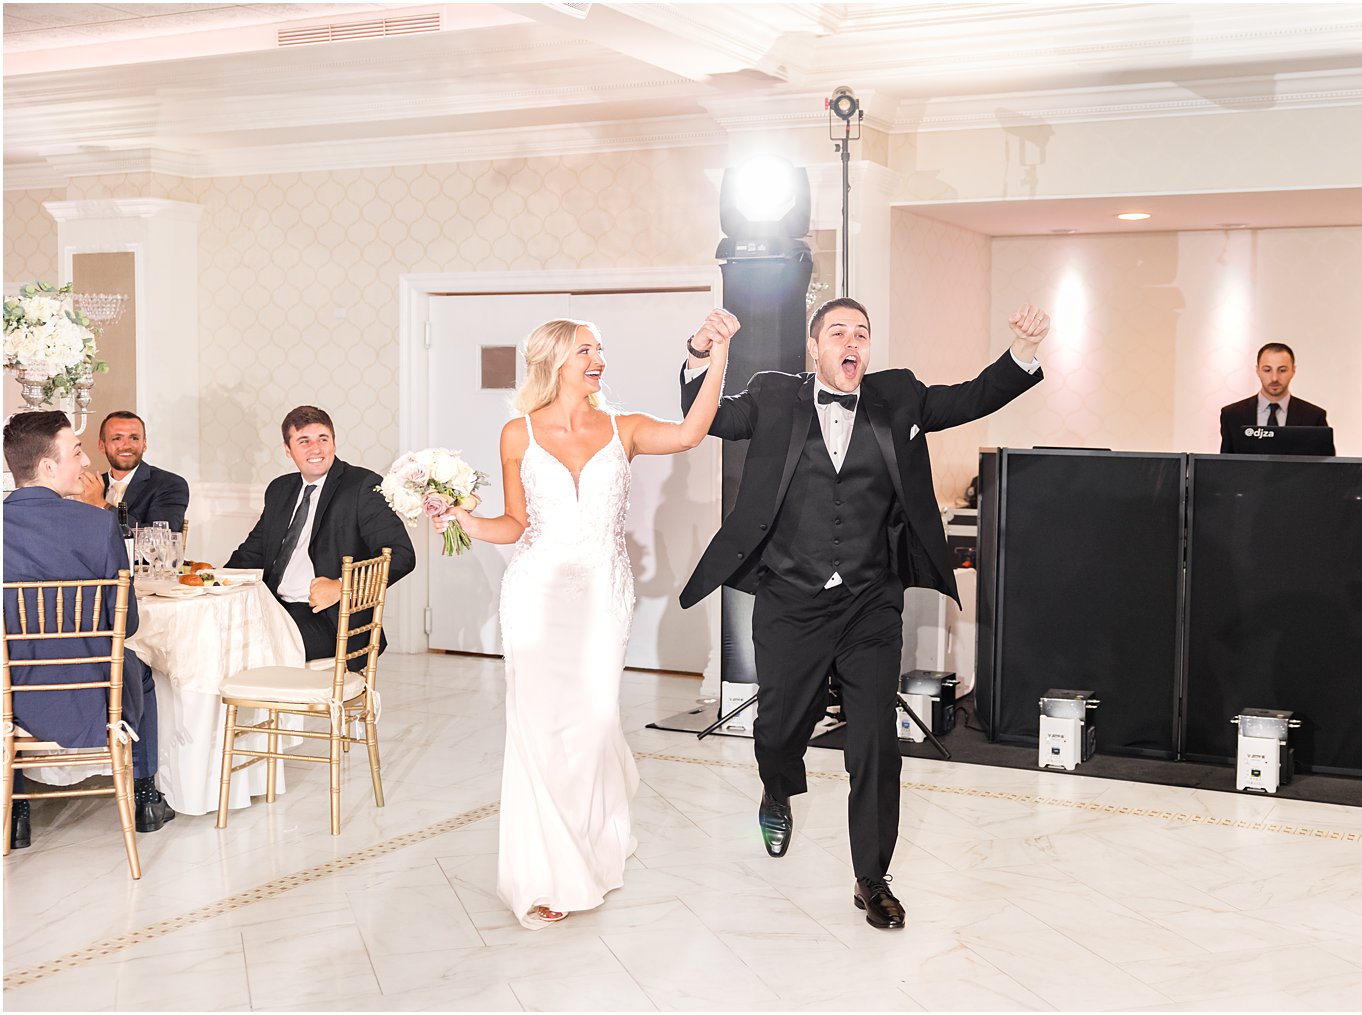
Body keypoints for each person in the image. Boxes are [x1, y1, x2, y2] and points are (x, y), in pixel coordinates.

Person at [678, 296, 1050, 930]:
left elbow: (970, 398)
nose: (853, 343)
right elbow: (707, 417)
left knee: (876, 739)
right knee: (779, 728)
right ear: (814, 348)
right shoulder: (772, 395)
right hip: (790, 599)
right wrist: (698, 355)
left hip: (870, 601)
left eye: (863, 334)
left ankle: (871, 877)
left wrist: (1024, 353)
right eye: (839, 333)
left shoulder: (897, 396)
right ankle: (777, 786)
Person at [438, 309, 739, 928]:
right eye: (585, 350)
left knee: (595, 722)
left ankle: (593, 842)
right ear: (553, 360)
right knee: (539, 731)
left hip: (603, 594)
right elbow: (515, 525)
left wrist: (720, 358)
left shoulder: (623, 426)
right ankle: (546, 876)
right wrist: (464, 520)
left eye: (599, 349)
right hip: (536, 595)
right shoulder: (516, 434)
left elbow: (688, 434)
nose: (597, 359)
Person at [3, 410, 175, 851]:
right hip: (90, 690)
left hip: (12, 696)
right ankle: (145, 798)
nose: (84, 463)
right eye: (76, 451)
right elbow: (128, 624)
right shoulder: (97, 523)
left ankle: (16, 809)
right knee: (139, 670)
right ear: (46, 467)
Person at [226, 406, 416, 667]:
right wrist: (211, 581)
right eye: (304, 441)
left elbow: (401, 555)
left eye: (323, 439)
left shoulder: (362, 486)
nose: (315, 448)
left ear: (334, 443)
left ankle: (270, 704)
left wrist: (342, 587)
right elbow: (253, 553)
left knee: (247, 643)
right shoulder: (280, 490)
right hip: (274, 607)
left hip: (332, 620)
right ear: (287, 449)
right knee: (213, 631)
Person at [76, 411, 190, 531]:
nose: (126, 446)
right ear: (102, 445)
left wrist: (101, 505)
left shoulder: (170, 484)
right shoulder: (92, 487)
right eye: (117, 438)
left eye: (134, 438)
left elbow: (159, 538)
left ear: (144, 444)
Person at [1219, 342, 1332, 453]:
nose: (1274, 378)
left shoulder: (1314, 417)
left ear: (1293, 370)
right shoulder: (1232, 415)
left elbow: (1327, 468)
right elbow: (1226, 465)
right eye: (1267, 370)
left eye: (1282, 370)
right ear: (1258, 370)